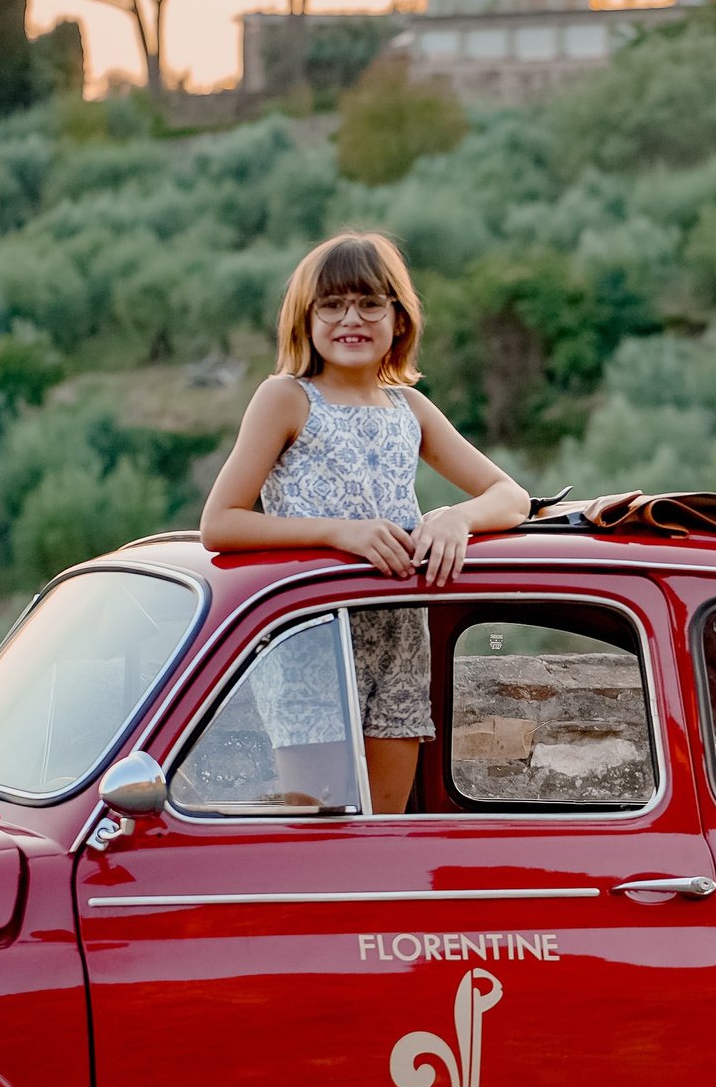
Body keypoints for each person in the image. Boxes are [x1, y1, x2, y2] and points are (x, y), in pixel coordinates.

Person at [199, 231, 529, 813]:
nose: (351, 318)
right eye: (332, 305)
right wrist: (336, 531)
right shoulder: (286, 398)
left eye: (370, 303)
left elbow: (510, 496)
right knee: (318, 830)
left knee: (383, 830)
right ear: (306, 318)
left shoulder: (411, 408)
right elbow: (221, 523)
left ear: (398, 318)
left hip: (400, 643)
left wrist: (456, 518)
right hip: (309, 641)